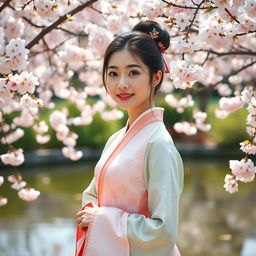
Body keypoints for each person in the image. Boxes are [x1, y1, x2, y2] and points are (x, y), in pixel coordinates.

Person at [75, 20, 184, 256]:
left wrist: (100, 219)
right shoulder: (116, 138)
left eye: (133, 72)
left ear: (156, 77)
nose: (121, 84)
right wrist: (95, 213)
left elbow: (163, 232)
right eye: (113, 73)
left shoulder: (159, 145)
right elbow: (93, 195)